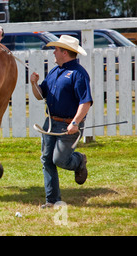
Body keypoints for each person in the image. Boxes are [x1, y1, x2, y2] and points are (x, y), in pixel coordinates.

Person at [30, 35, 93, 209]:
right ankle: (52, 200)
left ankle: (79, 160)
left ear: (64, 52)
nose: (54, 53)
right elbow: (40, 95)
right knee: (47, 160)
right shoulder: (54, 71)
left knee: (59, 159)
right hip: (50, 123)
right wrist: (34, 84)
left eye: (56, 50)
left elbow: (85, 102)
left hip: (68, 125)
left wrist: (75, 123)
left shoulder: (79, 74)